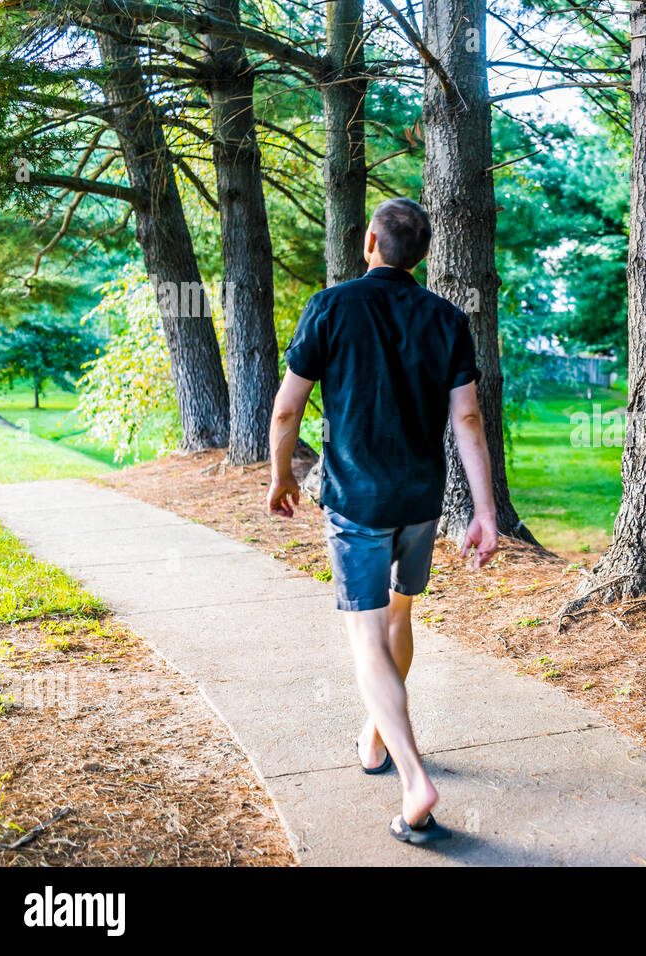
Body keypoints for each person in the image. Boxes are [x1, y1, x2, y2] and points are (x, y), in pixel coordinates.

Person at [266, 198, 499, 846]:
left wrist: (281, 476)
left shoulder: (331, 307)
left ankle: (415, 780)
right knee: (399, 618)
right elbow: (469, 421)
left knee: (366, 637)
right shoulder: (447, 319)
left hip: (358, 504)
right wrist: (483, 512)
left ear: (371, 241)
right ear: (420, 255)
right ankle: (375, 737)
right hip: (420, 503)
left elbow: (287, 413)